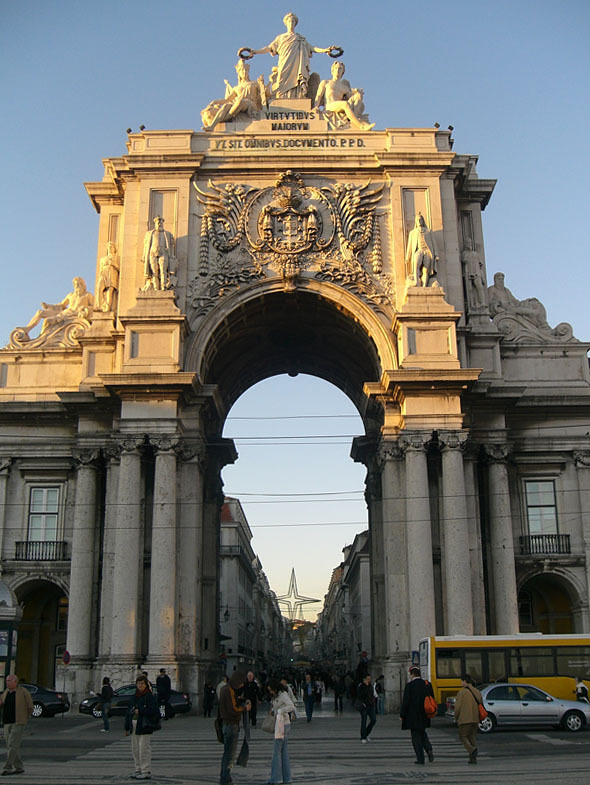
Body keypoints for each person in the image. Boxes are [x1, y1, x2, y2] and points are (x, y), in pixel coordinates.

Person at [241, 12, 339, 98]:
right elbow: (269, 48)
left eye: (293, 21)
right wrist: (255, 51)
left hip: (297, 64)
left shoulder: (300, 38)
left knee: (298, 81)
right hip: (285, 62)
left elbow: (312, 48)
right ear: (286, 23)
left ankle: (298, 98)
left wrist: (325, 50)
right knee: (281, 80)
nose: (291, 23)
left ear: (295, 24)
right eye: (289, 21)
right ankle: (281, 99)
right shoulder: (281, 38)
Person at [202, 60, 264, 131]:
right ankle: (212, 126)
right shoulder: (236, 88)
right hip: (241, 105)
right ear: (239, 73)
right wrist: (214, 102)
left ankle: (226, 118)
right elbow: (227, 100)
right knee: (226, 106)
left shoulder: (254, 83)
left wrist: (261, 84)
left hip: (251, 105)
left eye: (246, 70)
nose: (244, 72)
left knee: (240, 101)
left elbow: (264, 94)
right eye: (242, 70)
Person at [22, 277, 94, 337]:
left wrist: (85, 310)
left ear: (83, 285)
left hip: (74, 315)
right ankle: (28, 330)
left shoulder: (88, 295)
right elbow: (61, 305)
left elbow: (94, 307)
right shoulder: (71, 295)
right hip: (65, 313)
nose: (77, 286)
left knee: (47, 321)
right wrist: (48, 306)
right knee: (40, 312)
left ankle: (42, 338)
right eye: (75, 284)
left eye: (78, 284)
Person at [314, 61, 374, 131]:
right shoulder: (326, 82)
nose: (337, 70)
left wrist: (358, 93)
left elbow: (351, 96)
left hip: (339, 106)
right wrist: (316, 107)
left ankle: (354, 118)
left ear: (342, 72)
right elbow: (318, 96)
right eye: (336, 68)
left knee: (358, 96)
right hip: (329, 106)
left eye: (340, 69)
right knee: (344, 104)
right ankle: (361, 126)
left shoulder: (344, 87)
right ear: (332, 70)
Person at [124, 675, 160, 780]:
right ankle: (138, 769)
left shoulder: (149, 696)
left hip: (145, 725)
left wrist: (141, 711)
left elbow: (154, 711)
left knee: (143, 749)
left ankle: (146, 770)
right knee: (135, 749)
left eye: (142, 683)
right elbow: (128, 712)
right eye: (138, 683)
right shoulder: (134, 696)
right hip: (134, 724)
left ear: (146, 685)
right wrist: (127, 726)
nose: (140, 685)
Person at [218, 671, 251, 785]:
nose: (242, 685)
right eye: (241, 683)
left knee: (227, 753)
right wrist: (244, 708)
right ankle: (225, 779)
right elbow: (233, 709)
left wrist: (240, 701)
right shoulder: (229, 691)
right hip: (231, 725)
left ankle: (225, 777)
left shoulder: (225, 689)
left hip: (227, 725)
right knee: (230, 754)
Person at [400, 666, 435, 766]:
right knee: (422, 732)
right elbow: (432, 698)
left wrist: (402, 715)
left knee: (416, 737)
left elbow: (405, 702)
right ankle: (429, 749)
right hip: (425, 714)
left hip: (413, 716)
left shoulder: (410, 686)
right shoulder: (427, 684)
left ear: (412, 674)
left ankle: (420, 759)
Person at [0, 675, 33, 776]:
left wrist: (26, 717)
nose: (7, 683)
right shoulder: (6, 692)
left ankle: (7, 767)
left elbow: (30, 706)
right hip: (7, 722)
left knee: (13, 744)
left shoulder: (23, 692)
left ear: (15, 682)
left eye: (9, 681)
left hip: (18, 722)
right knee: (10, 746)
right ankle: (19, 767)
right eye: (6, 681)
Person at [266, 679, 297, 785]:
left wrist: (279, 711)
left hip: (282, 724)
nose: (270, 692)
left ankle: (276, 778)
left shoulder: (283, 695)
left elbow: (291, 706)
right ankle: (287, 778)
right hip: (282, 724)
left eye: (271, 690)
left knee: (276, 752)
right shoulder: (277, 696)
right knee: (283, 752)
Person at [453, 673, 482, 764]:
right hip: (475, 718)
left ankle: (472, 750)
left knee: (463, 736)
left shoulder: (462, 692)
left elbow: (457, 707)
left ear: (465, 681)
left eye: (462, 681)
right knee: (472, 736)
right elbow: (481, 703)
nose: (461, 683)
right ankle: (473, 758)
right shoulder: (477, 691)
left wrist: (456, 716)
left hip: (465, 718)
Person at [142, 215, 175, 291]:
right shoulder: (150, 233)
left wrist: (172, 255)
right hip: (152, 253)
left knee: (163, 271)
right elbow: (146, 245)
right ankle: (156, 287)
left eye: (161, 223)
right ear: (155, 224)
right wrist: (144, 256)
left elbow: (171, 246)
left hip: (163, 253)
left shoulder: (167, 234)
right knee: (154, 271)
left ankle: (164, 286)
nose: (159, 224)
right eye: (158, 223)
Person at [405, 213, 438, 287]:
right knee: (415, 265)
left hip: (427, 251)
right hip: (419, 251)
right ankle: (416, 282)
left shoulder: (429, 231)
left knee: (426, 269)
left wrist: (436, 254)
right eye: (417, 220)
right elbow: (410, 245)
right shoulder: (412, 233)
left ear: (423, 221)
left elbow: (434, 244)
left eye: (420, 220)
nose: (419, 221)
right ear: (416, 222)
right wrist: (407, 256)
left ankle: (425, 285)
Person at [97, 241, 120, 313]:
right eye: (108, 247)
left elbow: (119, 268)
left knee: (110, 292)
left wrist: (113, 264)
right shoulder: (103, 259)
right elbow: (100, 269)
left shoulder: (116, 258)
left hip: (112, 274)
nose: (109, 248)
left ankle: (107, 308)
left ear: (114, 249)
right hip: (104, 274)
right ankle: (99, 306)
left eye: (111, 247)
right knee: (99, 289)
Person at [357, 674, 377, 743]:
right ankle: (363, 737)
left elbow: (373, 694)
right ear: (364, 679)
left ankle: (366, 733)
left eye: (369, 679)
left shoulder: (370, 686)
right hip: (364, 706)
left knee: (373, 720)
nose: (369, 680)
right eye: (367, 679)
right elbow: (359, 696)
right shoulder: (361, 686)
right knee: (364, 721)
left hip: (371, 706)